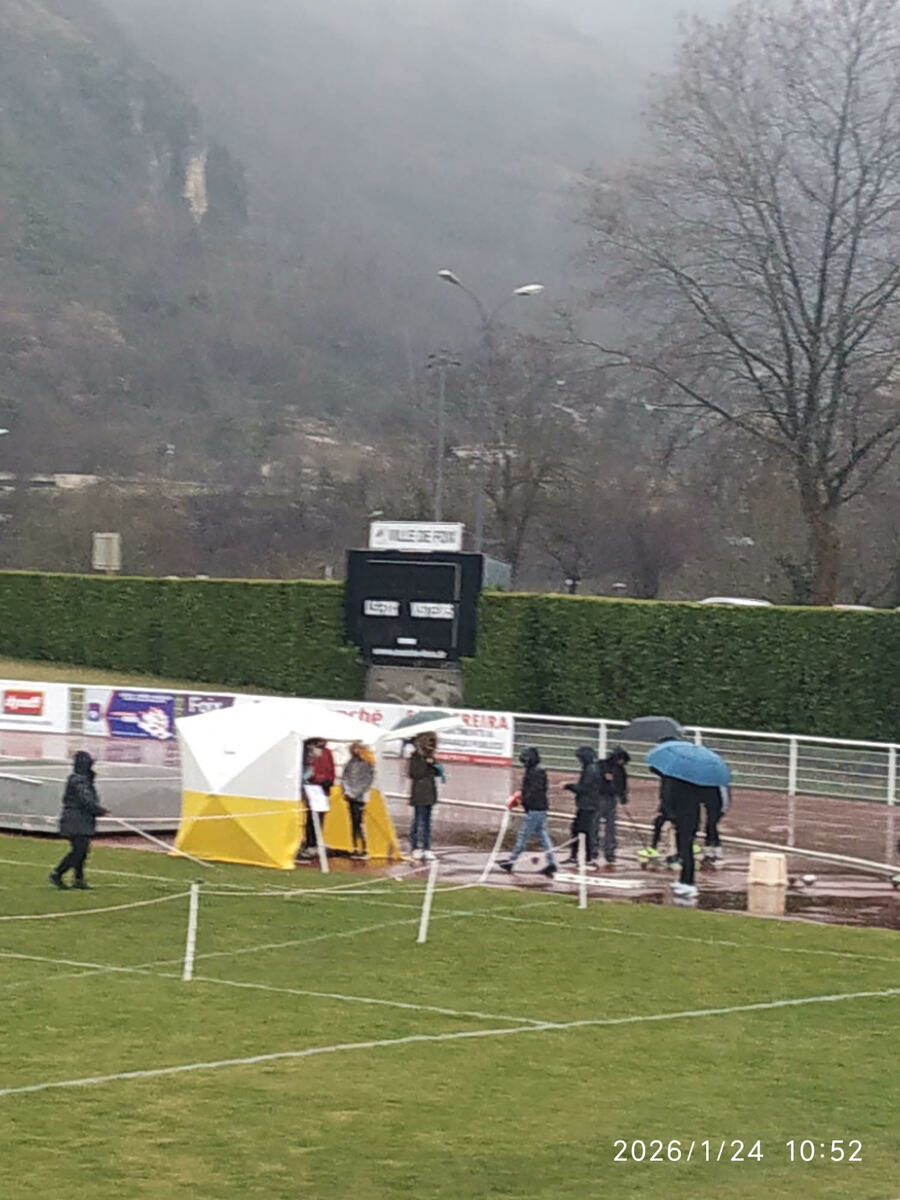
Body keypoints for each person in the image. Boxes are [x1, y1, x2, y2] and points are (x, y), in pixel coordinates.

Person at [49, 751, 108, 890]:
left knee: (81, 850)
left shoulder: (81, 779)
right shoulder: (79, 780)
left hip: (79, 820)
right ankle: (57, 873)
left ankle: (78, 879)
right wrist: (99, 810)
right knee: (79, 851)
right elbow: (85, 800)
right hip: (76, 820)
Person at [498, 747, 557, 877]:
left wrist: (521, 799)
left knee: (523, 836)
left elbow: (534, 791)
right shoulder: (536, 771)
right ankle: (551, 861)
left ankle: (512, 861)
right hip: (539, 808)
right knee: (543, 835)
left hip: (535, 809)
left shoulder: (535, 772)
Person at [563, 746, 606, 866]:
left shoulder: (591, 770)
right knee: (578, 830)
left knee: (585, 832)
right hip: (586, 805)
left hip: (588, 806)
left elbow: (584, 788)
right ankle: (576, 856)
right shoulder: (591, 768)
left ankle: (587, 858)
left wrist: (568, 786)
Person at [408, 732, 442, 861]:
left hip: (430, 794)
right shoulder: (415, 757)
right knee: (418, 821)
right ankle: (415, 847)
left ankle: (427, 848)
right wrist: (426, 764)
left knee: (427, 822)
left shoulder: (431, 757)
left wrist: (436, 766)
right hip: (419, 794)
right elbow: (414, 773)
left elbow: (436, 773)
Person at [596, 746, 631, 865]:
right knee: (606, 825)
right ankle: (603, 850)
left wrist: (622, 795)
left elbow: (623, 785)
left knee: (605, 825)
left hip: (608, 798)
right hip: (603, 797)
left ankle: (606, 851)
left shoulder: (607, 767)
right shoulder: (605, 767)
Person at [300, 738, 335, 857]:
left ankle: (315, 842)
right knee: (311, 816)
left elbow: (331, 769)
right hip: (312, 786)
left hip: (322, 788)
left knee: (320, 816)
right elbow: (307, 769)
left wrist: (330, 781)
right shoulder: (308, 751)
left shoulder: (327, 752)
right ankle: (310, 843)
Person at [342, 741, 375, 858]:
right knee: (353, 822)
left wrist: (355, 792)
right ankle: (355, 846)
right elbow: (344, 778)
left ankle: (364, 848)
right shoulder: (349, 763)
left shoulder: (367, 763)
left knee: (359, 822)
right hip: (351, 796)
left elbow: (367, 781)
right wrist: (347, 791)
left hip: (360, 797)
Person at [702, 784, 730, 861]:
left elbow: (725, 796)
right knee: (709, 826)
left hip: (718, 808)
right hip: (710, 807)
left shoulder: (721, 783)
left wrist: (724, 809)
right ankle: (710, 849)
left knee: (711, 826)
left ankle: (715, 849)